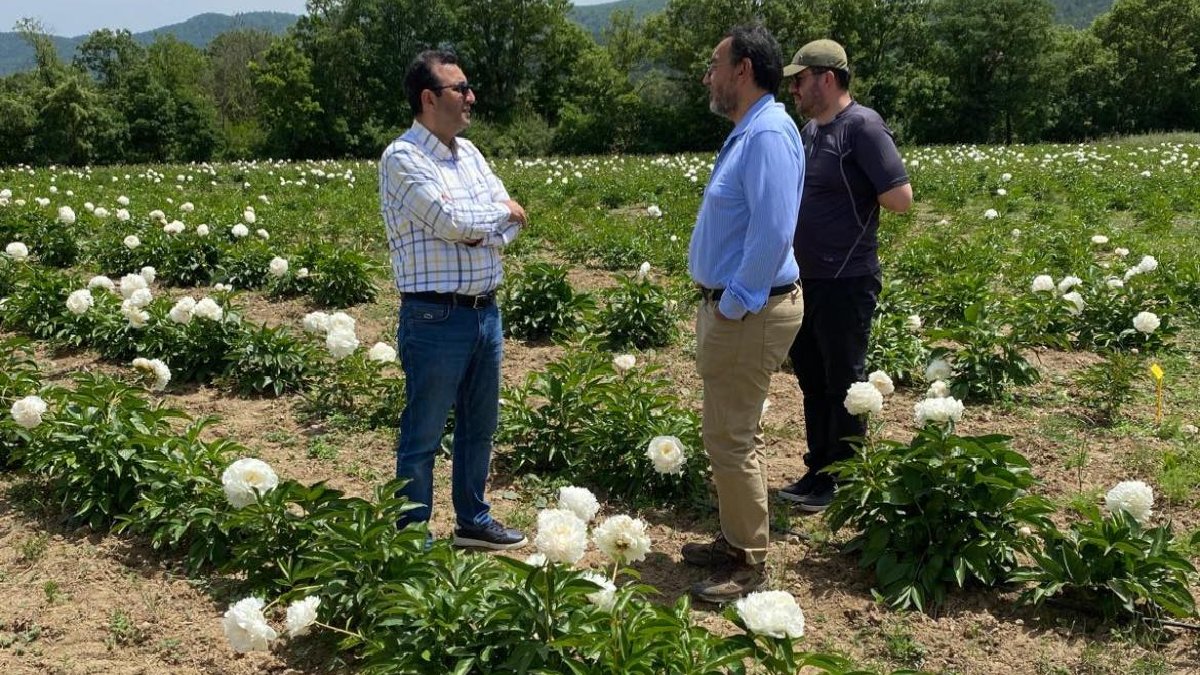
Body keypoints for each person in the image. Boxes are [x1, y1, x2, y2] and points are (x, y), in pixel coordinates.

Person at [379, 50, 528, 550]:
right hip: (434, 314)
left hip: (485, 309)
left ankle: (473, 519)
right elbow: (453, 222)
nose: (471, 97)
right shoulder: (403, 158)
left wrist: (484, 225)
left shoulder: (471, 154)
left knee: (479, 426)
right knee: (423, 433)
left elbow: (508, 221)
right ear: (428, 98)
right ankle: (411, 536)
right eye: (459, 88)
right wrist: (491, 218)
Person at [681, 24, 805, 603]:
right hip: (737, 309)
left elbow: (774, 230)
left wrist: (734, 302)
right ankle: (734, 539)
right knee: (724, 432)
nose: (708, 74)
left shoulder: (769, 134)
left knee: (734, 437)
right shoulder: (749, 131)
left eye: (715, 63)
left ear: (744, 69)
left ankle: (749, 562)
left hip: (749, 311)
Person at [777, 40, 913, 512]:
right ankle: (819, 469)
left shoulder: (863, 127)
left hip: (846, 277)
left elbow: (900, 197)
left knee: (843, 381)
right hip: (804, 278)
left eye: (800, 79)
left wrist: (854, 198)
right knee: (812, 379)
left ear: (827, 78)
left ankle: (846, 481)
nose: (794, 89)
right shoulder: (811, 130)